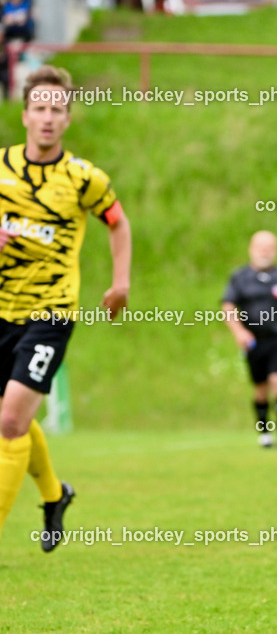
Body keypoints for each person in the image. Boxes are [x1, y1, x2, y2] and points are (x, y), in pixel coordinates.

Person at [0, 66, 132, 551]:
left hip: (51, 312)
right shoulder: (1, 167)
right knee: (9, 416)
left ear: (68, 118)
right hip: (1, 309)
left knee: (10, 422)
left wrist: (120, 284)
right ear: (25, 115)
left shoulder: (84, 178)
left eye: (58, 109)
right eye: (40, 108)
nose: (48, 118)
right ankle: (55, 495)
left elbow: (118, 224)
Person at [222, 231, 277, 448]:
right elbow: (228, 307)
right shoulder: (240, 277)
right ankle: (264, 433)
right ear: (251, 249)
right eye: (261, 247)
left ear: (276, 251)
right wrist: (239, 332)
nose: (265, 251)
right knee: (261, 388)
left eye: (269, 247)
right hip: (253, 342)